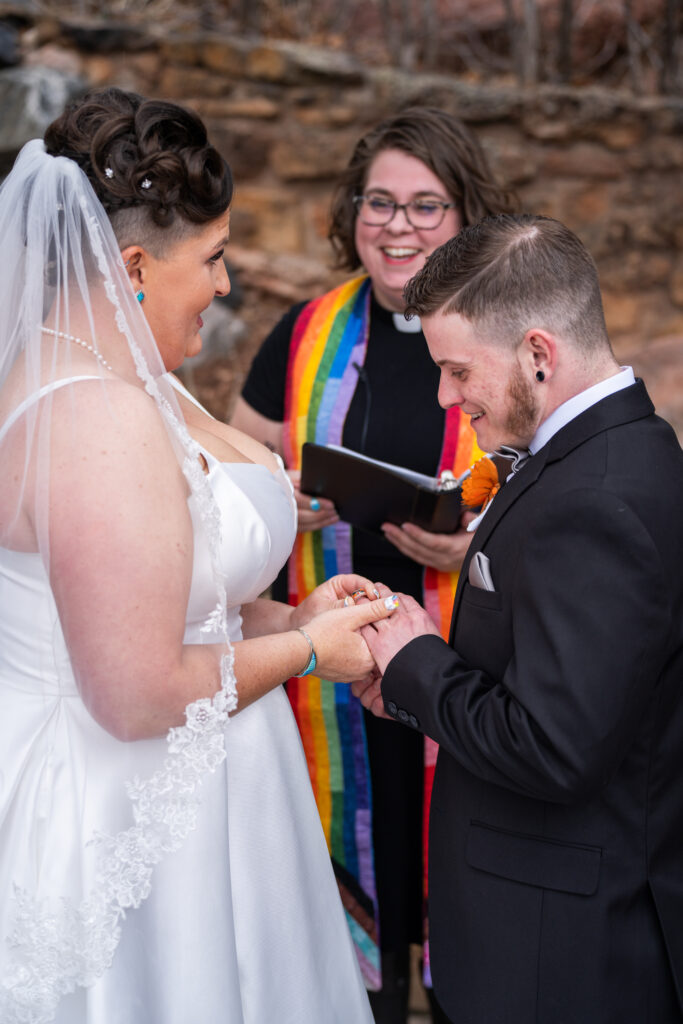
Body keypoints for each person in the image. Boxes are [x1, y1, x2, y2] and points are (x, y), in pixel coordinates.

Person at [0, 87, 399, 1024]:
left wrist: (292, 614)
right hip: (129, 825)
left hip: (219, 792)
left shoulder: (128, 372)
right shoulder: (92, 417)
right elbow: (137, 692)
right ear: (133, 264)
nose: (225, 284)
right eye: (213, 258)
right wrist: (310, 654)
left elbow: (167, 593)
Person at [355, 214, 683, 1023]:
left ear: (538, 354)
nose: (444, 394)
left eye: (457, 369)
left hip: (559, 955)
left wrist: (415, 662)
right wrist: (409, 687)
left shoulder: (597, 500)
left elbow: (554, 749)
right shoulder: (606, 451)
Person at [230, 106, 517, 1022]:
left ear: (467, 215)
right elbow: (232, 478)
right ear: (351, 211)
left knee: (445, 867)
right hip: (328, 674)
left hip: (459, 664)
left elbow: (563, 499)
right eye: (379, 202)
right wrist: (283, 498)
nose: (397, 225)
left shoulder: (509, 340)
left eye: (425, 205)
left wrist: (474, 545)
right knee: (352, 887)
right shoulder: (302, 333)